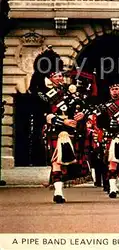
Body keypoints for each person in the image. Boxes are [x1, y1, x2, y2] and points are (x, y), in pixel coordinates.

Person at [30, 47, 91, 203]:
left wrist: (81, 114)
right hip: (55, 130)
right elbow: (43, 114)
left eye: (60, 75)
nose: (60, 78)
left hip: (70, 131)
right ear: (49, 77)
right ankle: (58, 192)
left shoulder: (68, 92)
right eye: (56, 76)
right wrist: (63, 121)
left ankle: (59, 188)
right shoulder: (42, 93)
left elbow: (82, 106)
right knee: (57, 161)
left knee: (65, 164)